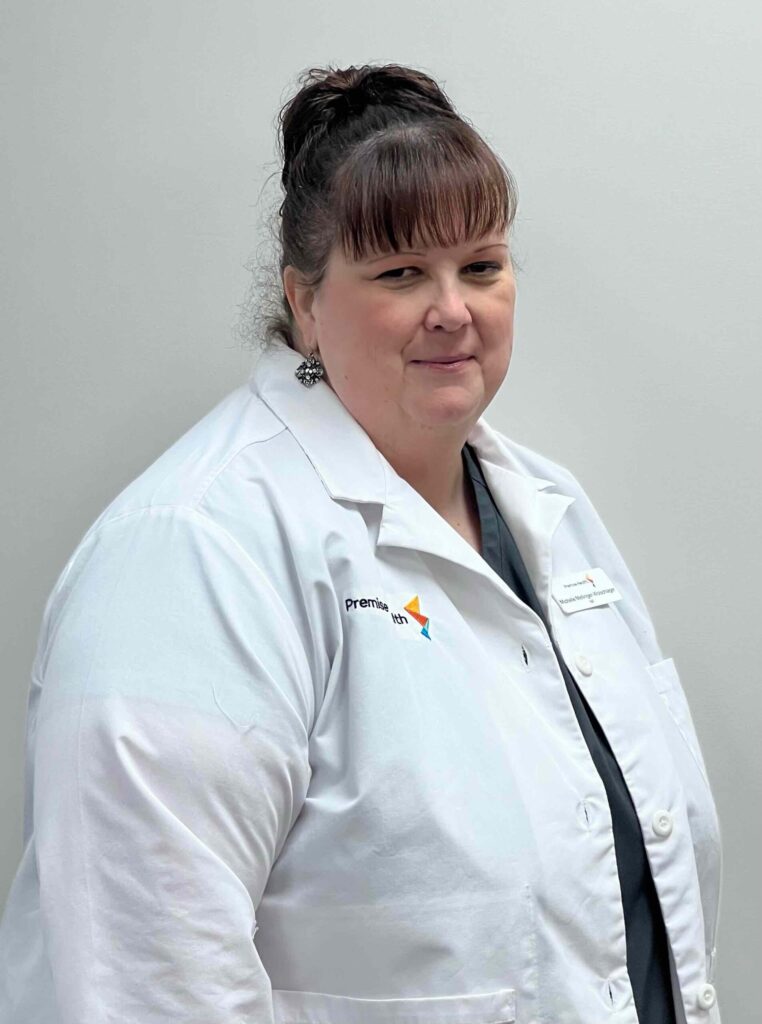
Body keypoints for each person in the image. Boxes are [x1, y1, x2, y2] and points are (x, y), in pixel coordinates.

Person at [0, 62, 722, 1024]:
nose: (453, 310)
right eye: (399, 273)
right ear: (304, 302)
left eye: (481, 266)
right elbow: (144, 983)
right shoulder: (192, 556)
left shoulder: (552, 512)